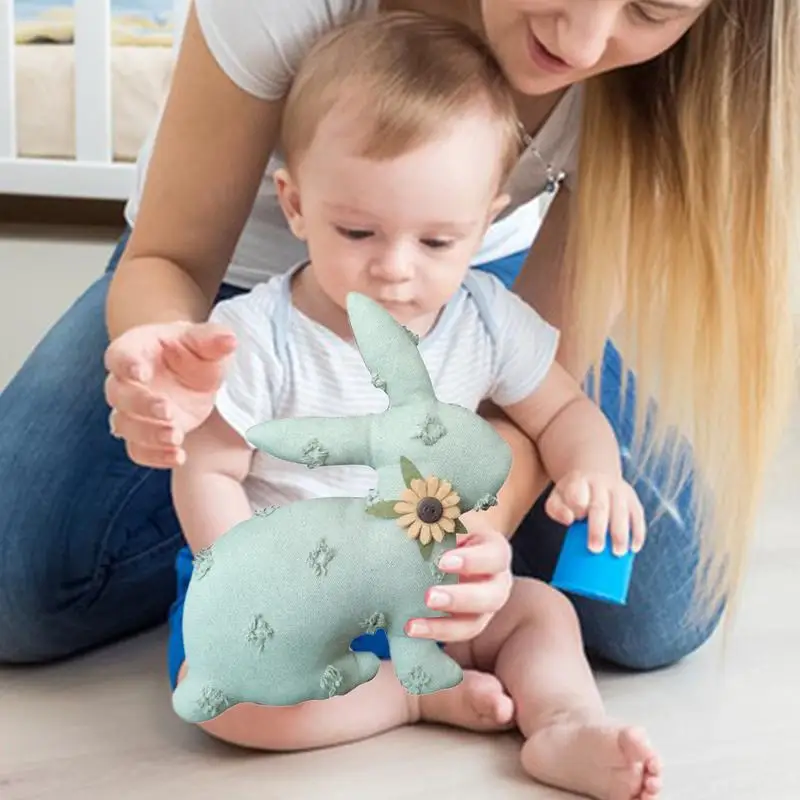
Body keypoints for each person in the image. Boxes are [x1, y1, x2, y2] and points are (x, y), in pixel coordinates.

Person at [0, 0, 794, 680]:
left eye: (652, 8)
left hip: (469, 296)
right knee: (13, 588)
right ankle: (275, 501)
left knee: (663, 604)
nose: (582, 44)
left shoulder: (664, 83)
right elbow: (169, 259)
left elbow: (539, 392)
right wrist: (165, 360)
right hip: (223, 287)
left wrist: (470, 533)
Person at [169, 15, 661, 798]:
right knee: (227, 698)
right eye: (358, 230)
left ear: (488, 219)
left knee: (539, 614)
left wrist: (593, 474)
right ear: (294, 205)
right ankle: (408, 695)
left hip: (435, 598)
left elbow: (563, 413)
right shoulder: (260, 336)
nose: (396, 270)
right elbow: (206, 468)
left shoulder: (484, 319)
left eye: (438, 242)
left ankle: (564, 723)